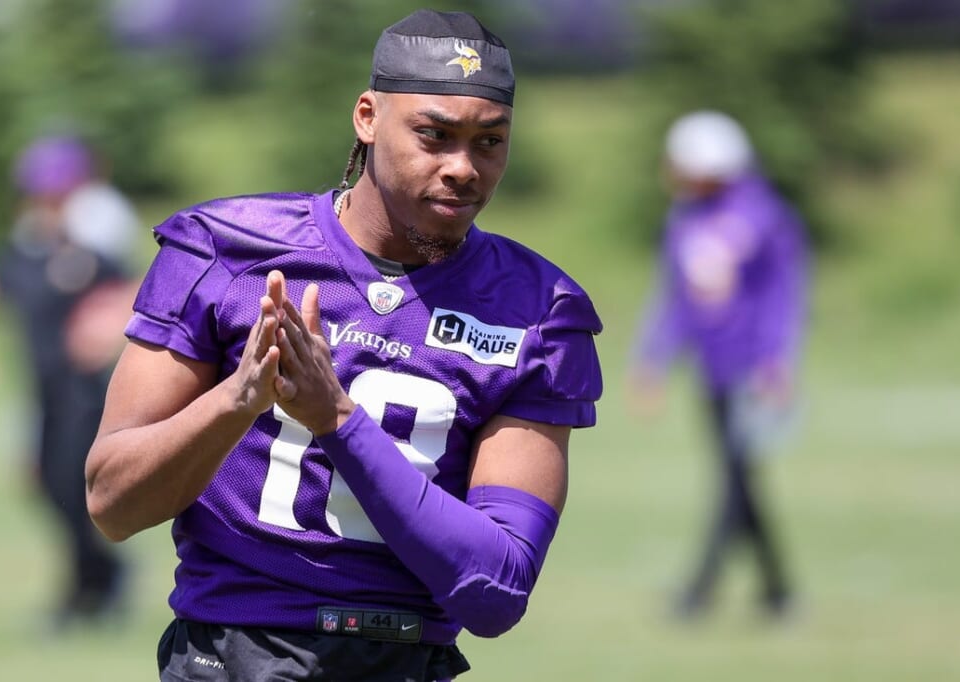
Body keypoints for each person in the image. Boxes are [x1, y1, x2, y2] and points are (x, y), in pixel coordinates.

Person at [85, 9, 603, 682]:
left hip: (406, 661)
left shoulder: (538, 311)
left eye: (489, 141)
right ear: (367, 117)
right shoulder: (226, 252)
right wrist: (238, 399)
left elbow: (497, 590)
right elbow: (113, 504)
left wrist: (336, 420)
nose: (463, 168)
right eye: (434, 135)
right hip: (232, 656)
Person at [0, 135, 139, 629]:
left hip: (85, 395)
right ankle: (102, 574)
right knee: (48, 487)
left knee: (73, 486)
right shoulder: (19, 252)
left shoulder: (87, 251)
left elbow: (140, 290)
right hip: (41, 398)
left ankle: (83, 591)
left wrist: (110, 323)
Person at [628, 110, 809, 620]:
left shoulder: (765, 216)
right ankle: (778, 592)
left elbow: (784, 296)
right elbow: (675, 298)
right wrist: (653, 360)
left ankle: (699, 592)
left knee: (734, 480)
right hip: (712, 370)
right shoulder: (684, 217)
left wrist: (777, 360)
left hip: (753, 373)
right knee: (740, 478)